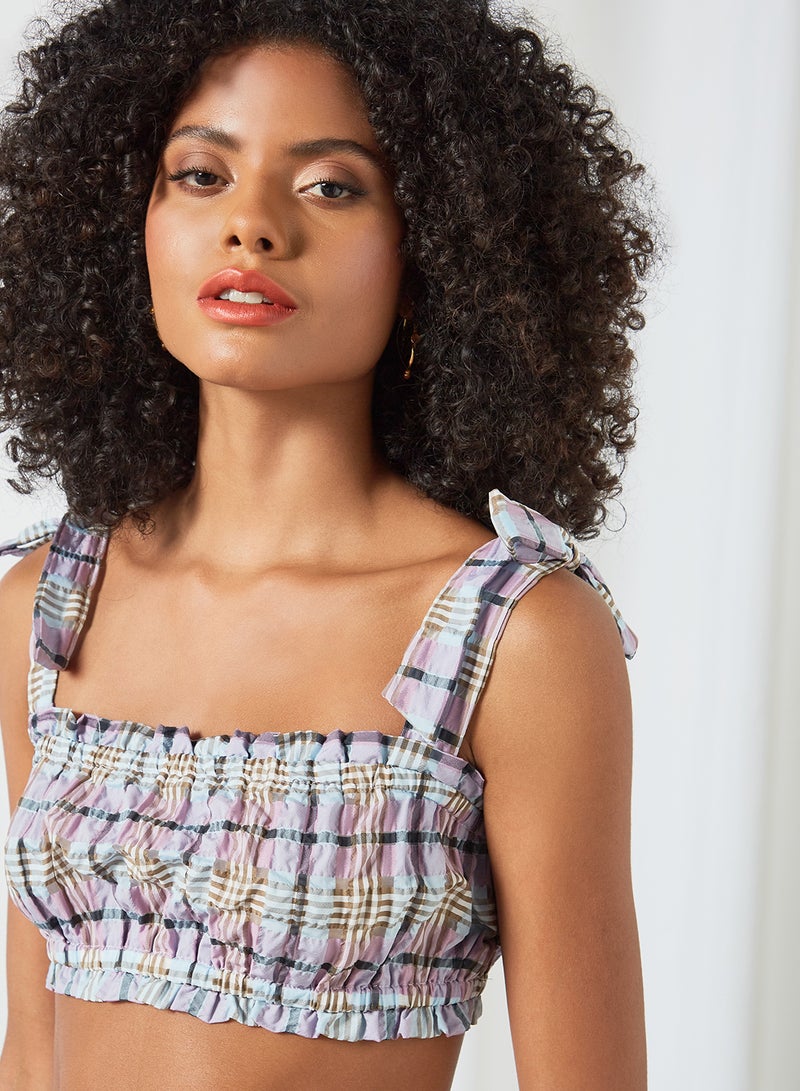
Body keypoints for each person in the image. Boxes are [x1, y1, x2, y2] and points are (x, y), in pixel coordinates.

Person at [0, 0, 657, 1087]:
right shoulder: (49, 604)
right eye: (201, 174)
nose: (251, 225)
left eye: (330, 185)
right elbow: (31, 1053)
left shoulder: (513, 635)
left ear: (433, 247)